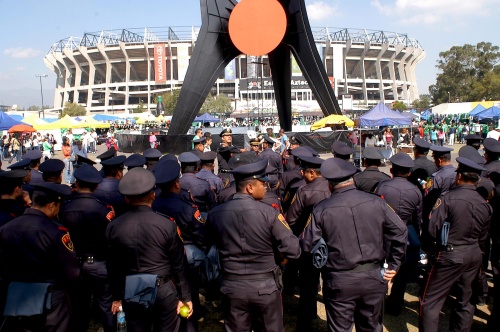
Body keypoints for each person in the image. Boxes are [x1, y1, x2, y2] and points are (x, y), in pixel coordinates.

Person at [300, 158, 407, 332]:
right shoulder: (377, 202)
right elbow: (400, 230)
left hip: (339, 279)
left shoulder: (321, 209)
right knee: (371, 327)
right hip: (374, 277)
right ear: (353, 180)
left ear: (329, 185)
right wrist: (394, 264)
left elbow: (307, 244)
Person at [205, 159, 301, 331]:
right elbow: (294, 249)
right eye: (262, 183)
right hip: (265, 286)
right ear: (249, 188)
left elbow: (209, 245)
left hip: (231, 285)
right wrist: (282, 256)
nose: (266, 187)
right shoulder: (270, 214)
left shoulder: (215, 214)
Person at [106, 168, 192, 332]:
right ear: (153, 195)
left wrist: (117, 296)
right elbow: (179, 264)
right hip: (163, 289)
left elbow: (113, 266)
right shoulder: (166, 224)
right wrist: (185, 297)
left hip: (132, 287)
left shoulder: (113, 227)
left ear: (126, 199)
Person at [420, 157, 492, 332]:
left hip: (449, 253)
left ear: (458, 177)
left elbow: (432, 229)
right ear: (478, 180)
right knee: (466, 301)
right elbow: (483, 237)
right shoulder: (485, 204)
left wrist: (430, 250)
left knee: (431, 302)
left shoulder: (448, 199)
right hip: (473, 253)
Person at [0, 182, 78, 332]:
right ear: (51, 205)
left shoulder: (7, 228)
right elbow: (71, 271)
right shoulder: (56, 231)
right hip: (51, 296)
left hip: (16, 294)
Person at [58, 164, 115, 332]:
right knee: (106, 307)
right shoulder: (104, 209)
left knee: (78, 308)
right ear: (96, 186)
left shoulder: (64, 208)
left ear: (76, 185)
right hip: (99, 263)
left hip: (74, 264)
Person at [153, 159, 207, 329]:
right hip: (186, 255)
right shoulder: (187, 208)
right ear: (177, 184)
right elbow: (201, 234)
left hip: (159, 258)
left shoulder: (153, 205)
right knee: (189, 287)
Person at [285, 155, 330, 330]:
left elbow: (291, 219)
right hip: (333, 243)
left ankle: (306, 320)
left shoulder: (304, 191)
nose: (302, 175)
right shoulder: (333, 188)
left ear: (312, 173)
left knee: (308, 285)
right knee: (330, 280)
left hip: (310, 243)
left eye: (304, 172)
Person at [375, 153, 423, 316]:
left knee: (381, 268)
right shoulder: (416, 190)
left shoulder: (382, 186)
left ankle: (378, 303)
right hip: (406, 233)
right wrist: (415, 233)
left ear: (392, 170)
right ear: (409, 172)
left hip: (384, 233)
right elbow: (417, 217)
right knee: (401, 272)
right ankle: (395, 304)